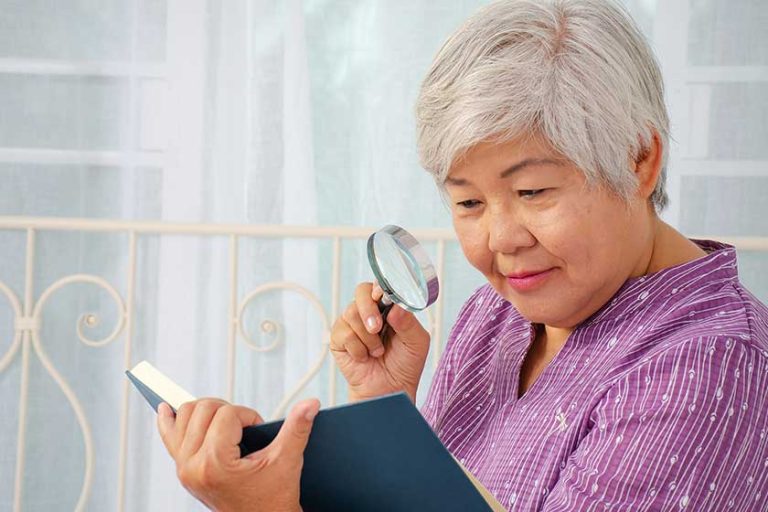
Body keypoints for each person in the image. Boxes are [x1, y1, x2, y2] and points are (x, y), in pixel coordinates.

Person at [157, 0, 768, 510]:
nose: (501, 241)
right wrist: (385, 413)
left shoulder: (708, 367)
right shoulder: (496, 316)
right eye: (469, 203)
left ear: (640, 160)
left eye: (532, 192)